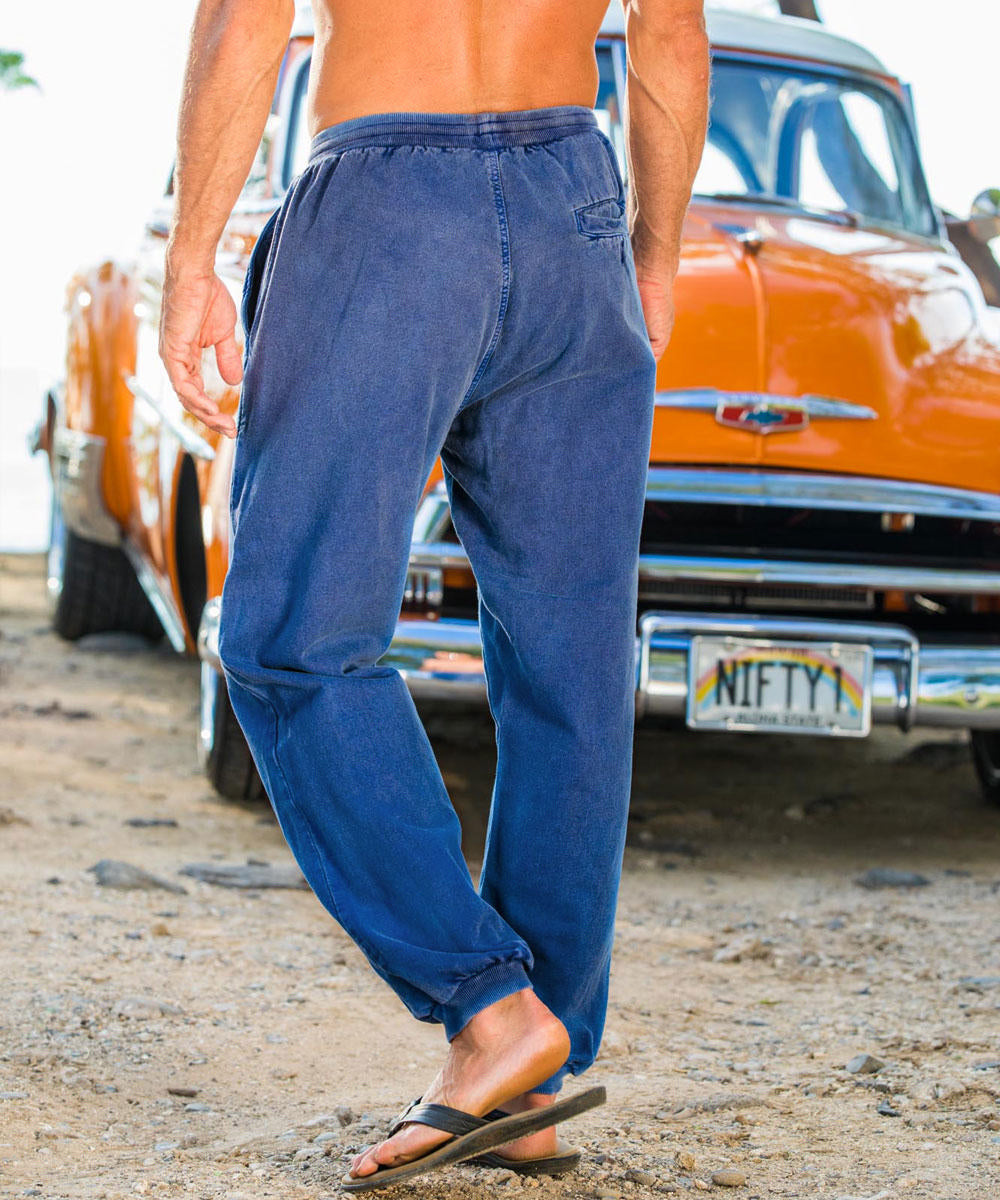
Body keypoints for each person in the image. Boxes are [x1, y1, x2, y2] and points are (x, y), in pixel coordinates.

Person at [159, 0, 709, 1189]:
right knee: (570, 667)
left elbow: (243, 17)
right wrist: (654, 254)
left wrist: (189, 259)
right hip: (577, 199)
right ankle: (533, 1086)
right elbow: (670, 29)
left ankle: (493, 1010)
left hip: (386, 199)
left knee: (289, 634)